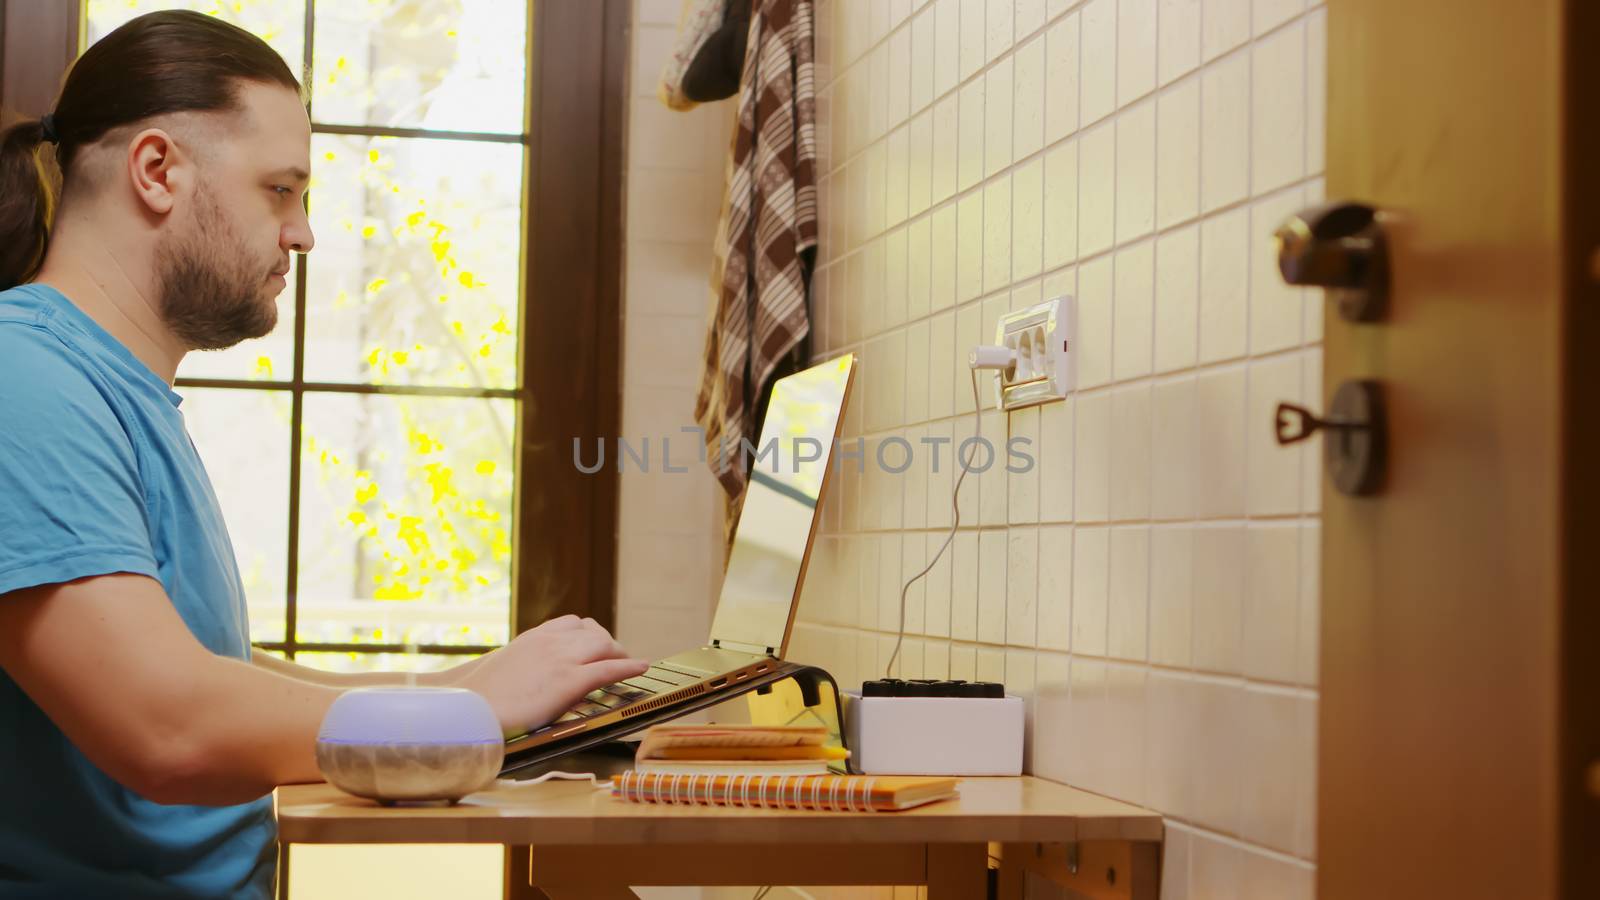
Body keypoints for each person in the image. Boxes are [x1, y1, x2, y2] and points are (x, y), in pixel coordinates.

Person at [0, 11, 648, 898]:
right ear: (157, 172)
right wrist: (466, 712)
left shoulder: (101, 385)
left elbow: (202, 665)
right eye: (280, 190)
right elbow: (167, 728)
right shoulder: (24, 377)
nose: (302, 233)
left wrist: (463, 685)